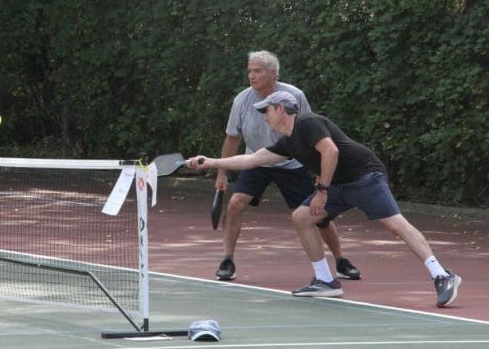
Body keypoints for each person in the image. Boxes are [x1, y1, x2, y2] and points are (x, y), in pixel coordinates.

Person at [187, 90, 461, 307]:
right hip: (339, 183)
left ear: (281, 109)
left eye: (266, 111)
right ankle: (326, 280)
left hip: (365, 176)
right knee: (301, 217)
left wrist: (322, 190)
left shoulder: (308, 123)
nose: (264, 117)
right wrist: (210, 161)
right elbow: (252, 160)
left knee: (394, 225)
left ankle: (442, 275)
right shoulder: (288, 141)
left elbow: (330, 151)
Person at [214, 50, 360, 282]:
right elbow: (233, 138)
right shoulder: (242, 100)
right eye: (250, 71)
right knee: (235, 203)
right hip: (258, 160)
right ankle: (227, 259)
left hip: (292, 162)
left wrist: (320, 172)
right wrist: (222, 172)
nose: (252, 76)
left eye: (258, 71)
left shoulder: (294, 96)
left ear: (273, 74)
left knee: (317, 214)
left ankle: (341, 260)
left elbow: (314, 132)